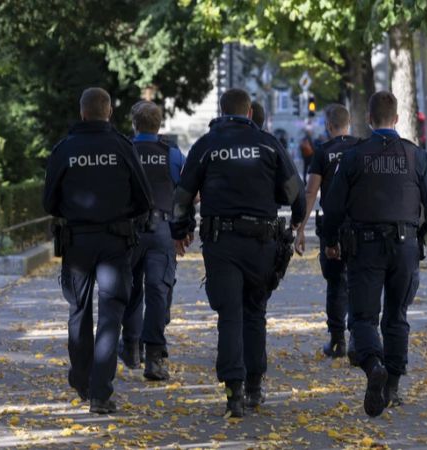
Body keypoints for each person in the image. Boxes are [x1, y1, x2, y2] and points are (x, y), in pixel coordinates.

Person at [172, 88, 305, 417]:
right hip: (262, 242)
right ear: (249, 113)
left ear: (222, 110)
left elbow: (183, 194)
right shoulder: (268, 144)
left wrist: (181, 230)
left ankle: (233, 391)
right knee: (254, 312)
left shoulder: (207, 145)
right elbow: (295, 193)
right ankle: (255, 386)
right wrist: (297, 219)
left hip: (221, 242)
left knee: (229, 314)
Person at [322, 91, 427, 418]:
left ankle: (373, 366)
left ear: (369, 120)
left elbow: (333, 205)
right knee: (397, 316)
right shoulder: (415, 156)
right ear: (396, 119)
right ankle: (392, 386)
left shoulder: (354, 156)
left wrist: (330, 240)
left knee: (363, 317)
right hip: (405, 246)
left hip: (365, 247)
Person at [43, 87, 153, 414]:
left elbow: (49, 201)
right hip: (115, 243)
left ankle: (81, 379)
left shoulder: (64, 149)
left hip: (77, 242)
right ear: (109, 113)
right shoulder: (122, 147)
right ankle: (101, 393)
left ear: (82, 113)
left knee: (78, 311)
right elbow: (144, 198)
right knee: (110, 317)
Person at [118, 101, 185, 381]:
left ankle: (132, 348)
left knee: (130, 288)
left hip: (129, 230)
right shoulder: (171, 154)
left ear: (135, 124)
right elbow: (183, 194)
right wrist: (182, 230)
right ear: (159, 125)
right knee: (158, 291)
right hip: (161, 229)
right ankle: (154, 358)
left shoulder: (125, 151)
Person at [294, 104, 362, 361]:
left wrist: (300, 229)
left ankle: (337, 340)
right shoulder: (361, 147)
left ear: (328, 125)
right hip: (359, 226)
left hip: (331, 225)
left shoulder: (322, 152)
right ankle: (359, 337)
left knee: (336, 283)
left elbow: (311, 192)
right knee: (358, 282)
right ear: (349, 124)